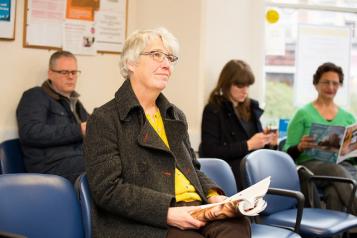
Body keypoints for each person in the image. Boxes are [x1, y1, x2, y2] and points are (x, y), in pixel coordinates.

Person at [83, 28, 251, 238]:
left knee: (237, 224)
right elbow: (107, 190)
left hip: (196, 208)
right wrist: (166, 212)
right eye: (156, 55)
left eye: (170, 58)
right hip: (146, 221)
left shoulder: (175, 115)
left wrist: (213, 196)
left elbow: (193, 168)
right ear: (131, 63)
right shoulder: (104, 119)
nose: (166, 65)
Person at [284, 62, 357, 213]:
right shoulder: (303, 114)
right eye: (326, 82)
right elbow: (286, 154)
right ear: (316, 84)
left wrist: (351, 148)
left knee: (334, 192)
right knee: (337, 171)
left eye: (335, 83)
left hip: (342, 167)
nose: (330, 87)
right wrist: (299, 147)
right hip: (311, 167)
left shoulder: (349, 117)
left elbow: (354, 159)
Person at [199, 59, 277, 188]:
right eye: (240, 86)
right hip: (231, 171)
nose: (245, 91)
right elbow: (211, 151)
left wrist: (269, 143)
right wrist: (249, 145)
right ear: (226, 84)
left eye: (247, 86)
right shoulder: (213, 110)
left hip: (254, 168)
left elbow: (258, 147)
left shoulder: (251, 107)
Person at [16, 50, 88, 183]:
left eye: (74, 72)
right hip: (49, 167)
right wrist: (79, 130)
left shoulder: (74, 101)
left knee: (120, 160)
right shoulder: (34, 96)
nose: (71, 77)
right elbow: (30, 132)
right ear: (50, 74)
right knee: (102, 167)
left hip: (76, 160)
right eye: (64, 72)